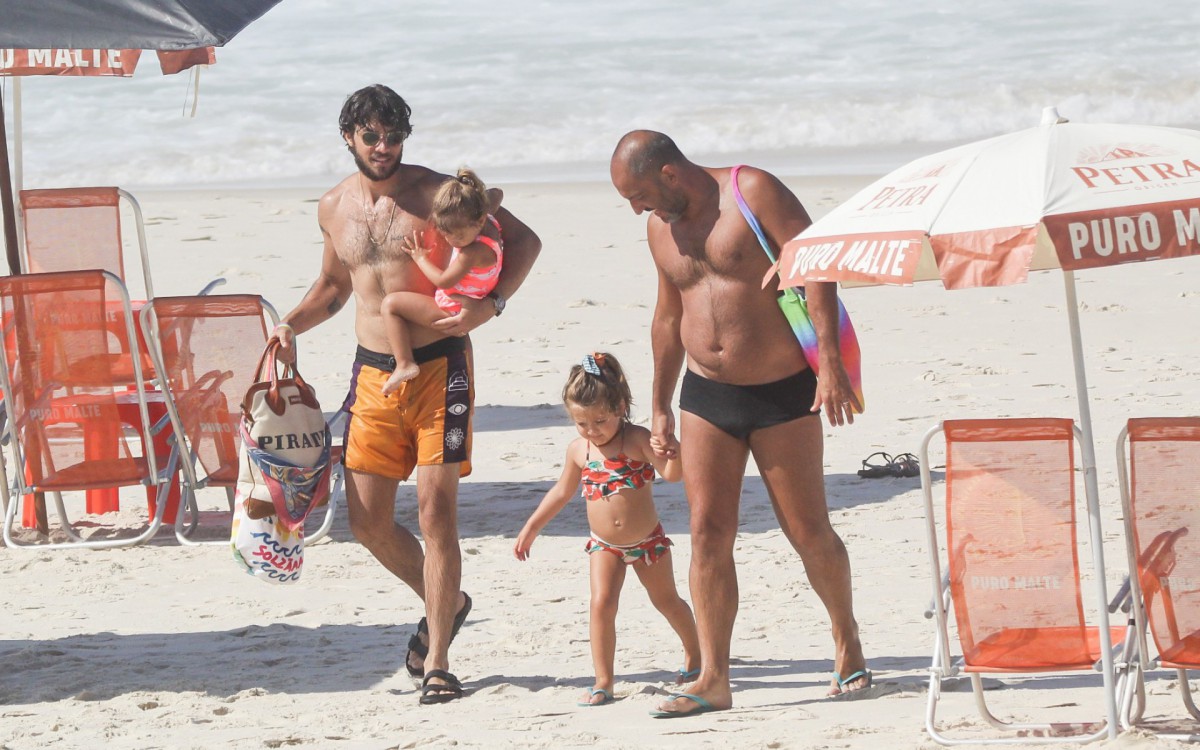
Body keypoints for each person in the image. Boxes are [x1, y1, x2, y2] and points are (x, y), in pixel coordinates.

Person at [273, 84, 541, 705]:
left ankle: (441, 660)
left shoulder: (437, 194)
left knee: (434, 513)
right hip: (373, 373)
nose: (385, 148)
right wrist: (288, 325)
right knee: (366, 521)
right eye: (372, 137)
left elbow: (523, 242)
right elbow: (333, 288)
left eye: (395, 137)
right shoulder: (333, 206)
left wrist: (491, 305)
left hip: (439, 367)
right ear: (349, 137)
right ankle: (447, 599)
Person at [609, 130, 868, 718]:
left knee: (806, 529)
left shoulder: (752, 191)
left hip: (783, 393)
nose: (637, 208)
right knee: (707, 532)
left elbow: (818, 267)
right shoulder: (659, 229)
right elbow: (668, 313)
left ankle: (846, 637)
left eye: (641, 193)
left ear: (670, 173)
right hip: (707, 396)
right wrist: (658, 403)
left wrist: (829, 363)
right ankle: (714, 676)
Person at [513, 352, 701, 707]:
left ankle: (695, 656)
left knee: (666, 601)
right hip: (604, 546)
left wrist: (672, 451)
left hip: (648, 543)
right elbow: (561, 492)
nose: (591, 430)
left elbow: (674, 475)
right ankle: (604, 680)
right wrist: (532, 527)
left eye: (600, 421)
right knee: (601, 605)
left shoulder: (638, 440)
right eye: (582, 423)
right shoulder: (578, 451)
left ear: (620, 406)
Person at [381, 167, 504, 393]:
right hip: (469, 298)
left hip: (454, 311)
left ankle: (405, 363)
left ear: (478, 221)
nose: (452, 240)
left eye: (458, 234)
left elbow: (444, 281)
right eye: (446, 233)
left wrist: (420, 258)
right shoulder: (489, 223)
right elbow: (498, 193)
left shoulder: (471, 252)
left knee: (391, 304)